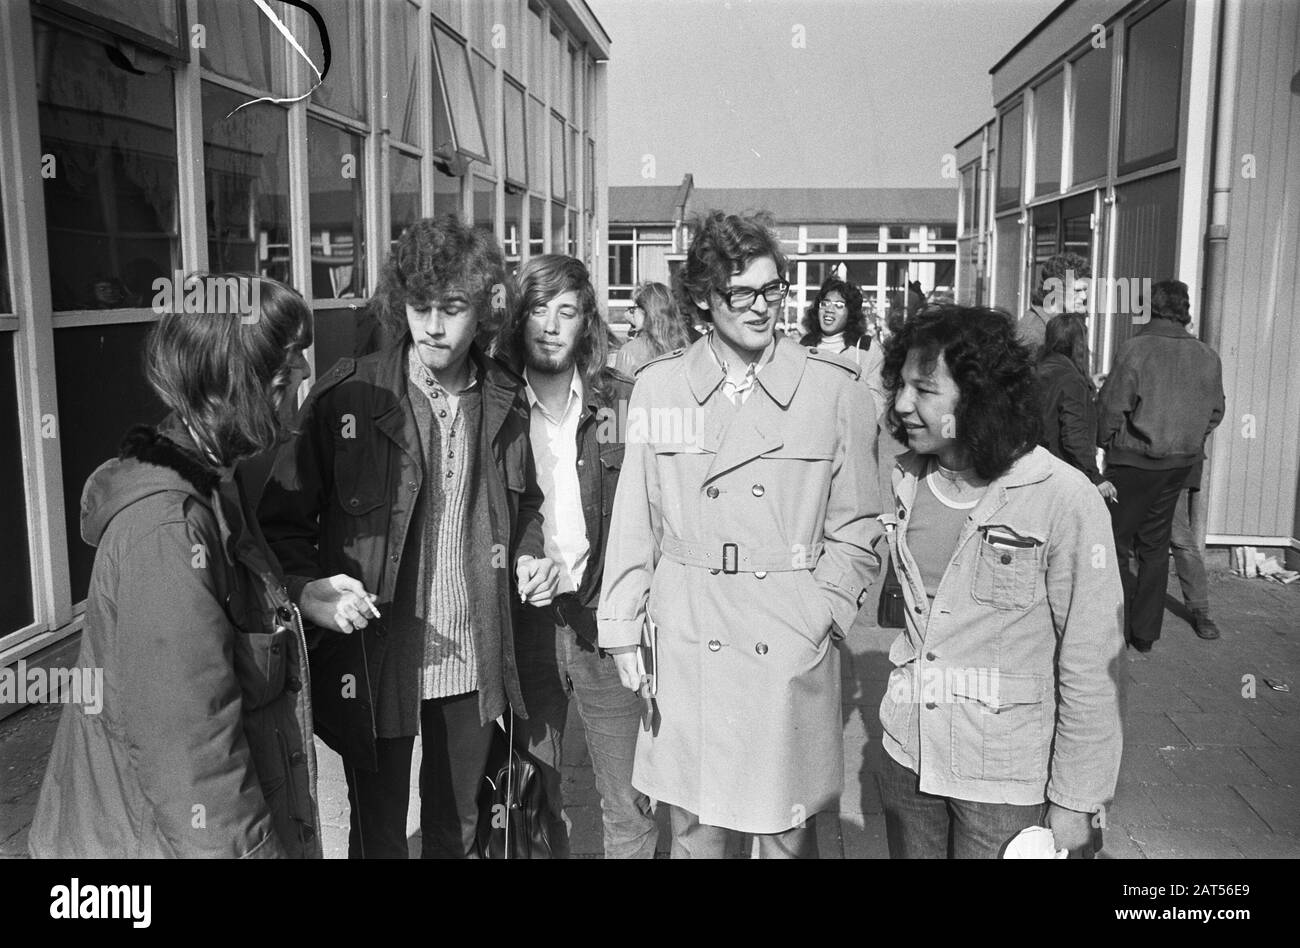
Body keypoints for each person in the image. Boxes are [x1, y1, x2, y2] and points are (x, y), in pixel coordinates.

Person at [258, 216, 559, 858]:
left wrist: (530, 553)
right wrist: (308, 589)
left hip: (471, 654)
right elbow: (281, 524)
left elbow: (527, 501)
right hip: (376, 660)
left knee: (458, 832)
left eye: (451, 309)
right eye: (420, 307)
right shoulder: (351, 396)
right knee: (379, 837)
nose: (432, 326)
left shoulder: (506, 395)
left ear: (481, 307)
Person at [598, 210, 881, 859]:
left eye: (773, 289)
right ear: (702, 297)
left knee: (782, 835)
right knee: (696, 835)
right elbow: (636, 522)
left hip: (785, 639)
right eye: (742, 293)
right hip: (690, 638)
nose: (762, 308)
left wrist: (820, 611)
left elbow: (860, 527)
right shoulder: (659, 389)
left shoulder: (832, 393)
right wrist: (620, 628)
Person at [30, 275, 322, 858]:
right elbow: (191, 750)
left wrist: (297, 594)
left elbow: (218, 615)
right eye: (285, 379)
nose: (302, 389)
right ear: (226, 390)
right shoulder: (167, 532)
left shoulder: (211, 477)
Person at [875, 304, 1123, 859]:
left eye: (924, 390)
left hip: (1005, 782)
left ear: (978, 394)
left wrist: (1076, 800)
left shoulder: (1063, 497)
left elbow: (1093, 660)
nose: (902, 405)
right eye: (900, 386)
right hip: (907, 757)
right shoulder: (906, 479)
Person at [493, 254, 658, 858]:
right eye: (538, 309)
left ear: (586, 321)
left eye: (567, 311)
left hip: (604, 622)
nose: (552, 325)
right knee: (532, 795)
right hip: (526, 625)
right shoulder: (495, 407)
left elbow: (653, 513)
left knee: (628, 798)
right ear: (518, 319)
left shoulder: (622, 402)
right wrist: (518, 558)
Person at [1097, 279, 1224, 653]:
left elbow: (1110, 408)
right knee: (1154, 548)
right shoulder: (1207, 355)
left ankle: (1115, 627)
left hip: (1133, 463)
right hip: (1178, 465)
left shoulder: (1135, 349)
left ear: (1151, 307)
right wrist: (1189, 440)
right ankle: (1145, 634)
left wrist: (1106, 443)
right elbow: (1215, 411)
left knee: (1117, 544)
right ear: (1184, 311)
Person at [799, 275, 887, 419]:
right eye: (824, 303)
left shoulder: (866, 349)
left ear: (850, 313)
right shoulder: (803, 346)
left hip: (852, 433)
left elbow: (876, 401)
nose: (829, 309)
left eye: (839, 305)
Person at [1035, 312, 1103, 485]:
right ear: (1079, 344)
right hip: (1063, 469)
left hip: (1040, 463)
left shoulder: (1040, 369)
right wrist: (1094, 476)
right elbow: (1074, 434)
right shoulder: (1071, 379)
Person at [1169, 461, 1220, 640]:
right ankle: (1132, 606)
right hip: (1136, 465)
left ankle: (1200, 610)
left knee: (1180, 537)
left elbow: (1205, 430)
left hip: (1176, 467)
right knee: (1132, 538)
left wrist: (1190, 441)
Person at [614, 280, 694, 377]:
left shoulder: (629, 352)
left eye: (634, 308)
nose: (633, 313)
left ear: (647, 311)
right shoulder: (688, 347)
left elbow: (622, 390)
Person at [1018, 252, 1090, 355]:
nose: (1083, 296)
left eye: (1085, 290)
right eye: (1077, 290)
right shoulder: (1031, 333)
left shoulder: (1071, 325)